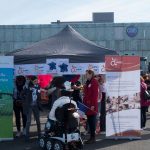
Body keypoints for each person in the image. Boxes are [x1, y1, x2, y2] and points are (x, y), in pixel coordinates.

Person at [23, 76, 42, 141]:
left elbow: (39, 95)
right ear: (32, 81)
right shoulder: (27, 87)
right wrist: (25, 100)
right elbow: (21, 94)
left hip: (36, 105)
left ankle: (39, 134)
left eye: (37, 81)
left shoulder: (38, 86)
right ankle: (27, 135)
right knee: (28, 121)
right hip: (29, 106)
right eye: (35, 81)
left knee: (38, 120)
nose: (36, 82)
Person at [83, 69, 99, 144]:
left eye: (87, 74)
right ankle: (91, 137)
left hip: (92, 105)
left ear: (91, 74)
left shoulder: (94, 82)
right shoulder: (88, 82)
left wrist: (92, 105)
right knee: (89, 121)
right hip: (87, 105)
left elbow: (95, 95)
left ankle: (93, 138)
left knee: (92, 121)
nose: (85, 75)